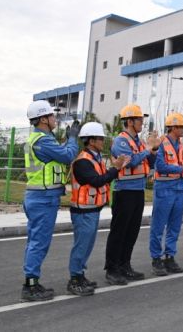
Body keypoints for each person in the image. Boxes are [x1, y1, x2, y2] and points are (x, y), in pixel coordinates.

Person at [21, 100, 79, 302]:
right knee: (39, 243)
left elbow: (57, 155)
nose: (55, 119)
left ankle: (31, 281)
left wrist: (66, 141)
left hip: (38, 196)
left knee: (34, 241)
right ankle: (30, 286)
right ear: (43, 119)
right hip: (43, 199)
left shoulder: (40, 139)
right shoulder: (43, 141)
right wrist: (73, 138)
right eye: (52, 116)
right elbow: (68, 155)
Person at [68, 122, 130, 296]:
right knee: (81, 246)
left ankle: (80, 275)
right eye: (100, 138)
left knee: (86, 246)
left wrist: (115, 168)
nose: (103, 141)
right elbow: (97, 181)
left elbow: (103, 177)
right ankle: (74, 279)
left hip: (92, 209)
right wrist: (115, 168)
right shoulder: (83, 161)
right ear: (91, 140)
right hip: (83, 211)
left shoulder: (95, 158)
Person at [104, 104, 160, 285]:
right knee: (119, 231)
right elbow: (131, 161)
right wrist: (147, 149)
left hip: (137, 191)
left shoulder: (139, 142)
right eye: (139, 120)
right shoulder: (121, 141)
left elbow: (151, 162)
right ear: (129, 121)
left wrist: (154, 149)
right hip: (124, 191)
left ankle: (124, 265)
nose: (142, 123)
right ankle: (112, 269)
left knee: (132, 231)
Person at [150, 112, 183, 276]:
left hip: (179, 188)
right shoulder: (161, 143)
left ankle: (169, 256)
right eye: (181, 127)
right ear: (173, 127)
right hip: (164, 187)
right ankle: (156, 258)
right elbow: (160, 166)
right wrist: (182, 168)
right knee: (158, 226)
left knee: (175, 226)